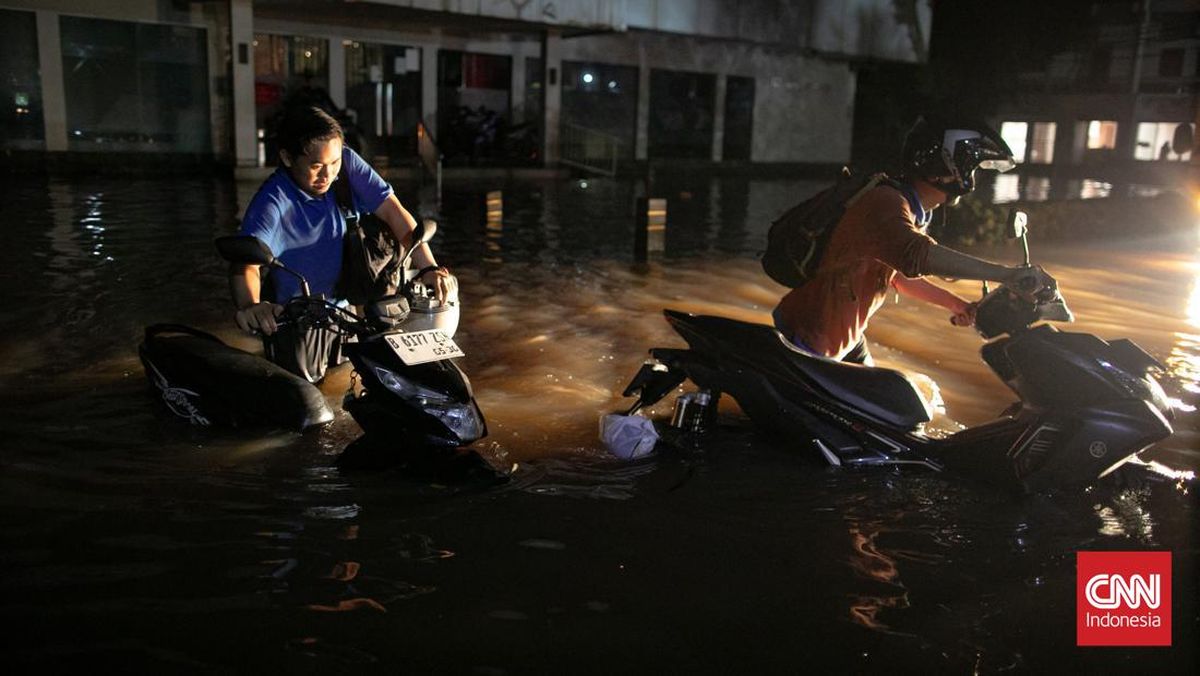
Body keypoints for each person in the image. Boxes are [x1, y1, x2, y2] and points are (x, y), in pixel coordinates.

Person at [771, 115, 1055, 366]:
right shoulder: (885, 204)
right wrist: (1006, 274)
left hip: (848, 333)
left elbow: (900, 277)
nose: (972, 176)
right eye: (972, 168)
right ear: (950, 166)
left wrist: (957, 304)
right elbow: (918, 256)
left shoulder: (912, 210)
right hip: (813, 337)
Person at [231, 105, 452, 381]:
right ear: (287, 157)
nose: (328, 175)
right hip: (296, 322)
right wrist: (252, 305)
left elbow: (394, 212)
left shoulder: (346, 165)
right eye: (316, 166)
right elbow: (246, 265)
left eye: (334, 163)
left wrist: (428, 268)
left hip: (346, 310)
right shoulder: (272, 202)